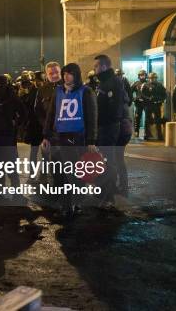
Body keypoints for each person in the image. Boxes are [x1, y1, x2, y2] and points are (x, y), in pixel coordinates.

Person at [41, 63, 97, 218]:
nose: (66, 76)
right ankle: (69, 203)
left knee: (74, 173)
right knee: (60, 172)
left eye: (69, 73)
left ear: (76, 75)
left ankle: (72, 203)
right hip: (60, 137)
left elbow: (92, 118)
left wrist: (91, 140)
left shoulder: (86, 92)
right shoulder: (58, 91)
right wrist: (46, 136)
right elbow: (51, 114)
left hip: (78, 137)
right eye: (64, 73)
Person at [94, 54, 127, 206]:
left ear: (104, 66)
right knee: (105, 159)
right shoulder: (103, 82)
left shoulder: (113, 82)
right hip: (103, 126)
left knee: (109, 159)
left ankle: (109, 194)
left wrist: (105, 121)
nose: (94, 69)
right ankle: (105, 191)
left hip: (108, 126)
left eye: (96, 66)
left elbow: (115, 107)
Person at [22, 71, 45, 165]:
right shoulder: (32, 92)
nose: (39, 82)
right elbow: (26, 106)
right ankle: (33, 172)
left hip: (43, 124)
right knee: (34, 150)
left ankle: (43, 171)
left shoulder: (45, 90)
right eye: (37, 80)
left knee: (44, 151)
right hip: (35, 124)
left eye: (41, 80)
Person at [141, 72, 166, 140]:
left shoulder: (160, 85)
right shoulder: (145, 85)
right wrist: (148, 99)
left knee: (158, 120)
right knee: (147, 120)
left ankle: (159, 135)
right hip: (148, 105)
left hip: (157, 105)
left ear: (156, 78)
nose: (152, 79)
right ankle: (146, 135)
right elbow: (142, 95)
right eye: (151, 78)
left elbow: (164, 94)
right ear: (149, 78)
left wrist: (161, 100)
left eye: (154, 78)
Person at [131, 69, 148, 138]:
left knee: (147, 118)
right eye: (141, 75)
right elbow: (130, 92)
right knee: (137, 118)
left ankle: (146, 133)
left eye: (143, 75)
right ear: (139, 76)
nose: (142, 76)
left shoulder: (148, 83)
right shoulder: (136, 83)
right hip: (138, 103)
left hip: (146, 103)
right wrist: (134, 99)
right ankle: (137, 131)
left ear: (145, 76)